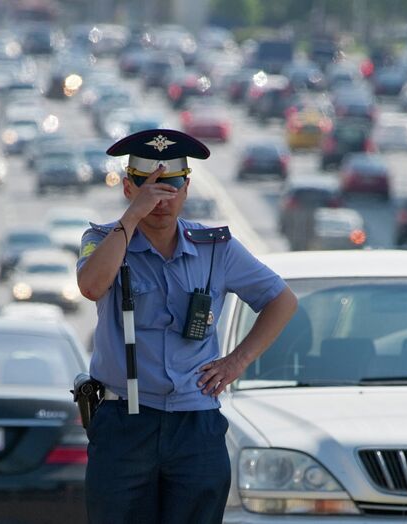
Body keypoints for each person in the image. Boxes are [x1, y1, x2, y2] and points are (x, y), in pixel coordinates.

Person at [76, 128, 297, 524]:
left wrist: (237, 362)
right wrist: (132, 218)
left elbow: (281, 300)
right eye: (149, 189)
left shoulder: (216, 248)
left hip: (194, 424)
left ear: (187, 188)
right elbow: (92, 286)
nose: (161, 200)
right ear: (128, 187)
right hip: (124, 422)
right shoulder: (102, 239)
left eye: (171, 188)